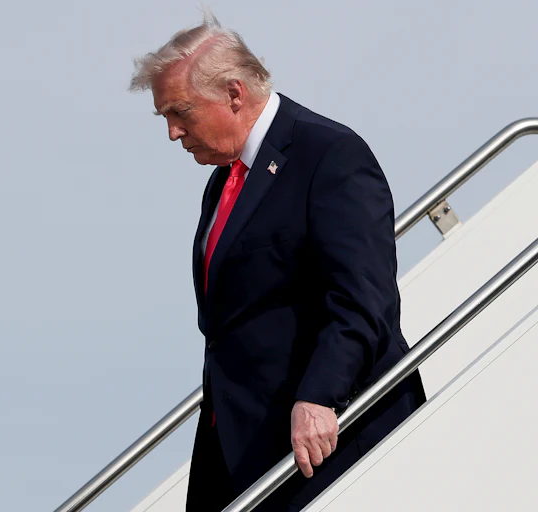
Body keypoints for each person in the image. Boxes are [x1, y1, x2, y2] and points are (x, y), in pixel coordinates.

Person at [130, 12, 426, 511]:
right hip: (241, 449)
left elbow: (363, 296)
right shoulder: (223, 181)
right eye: (165, 118)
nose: (174, 133)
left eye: (180, 112)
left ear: (234, 93)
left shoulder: (328, 154)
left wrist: (321, 397)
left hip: (324, 442)